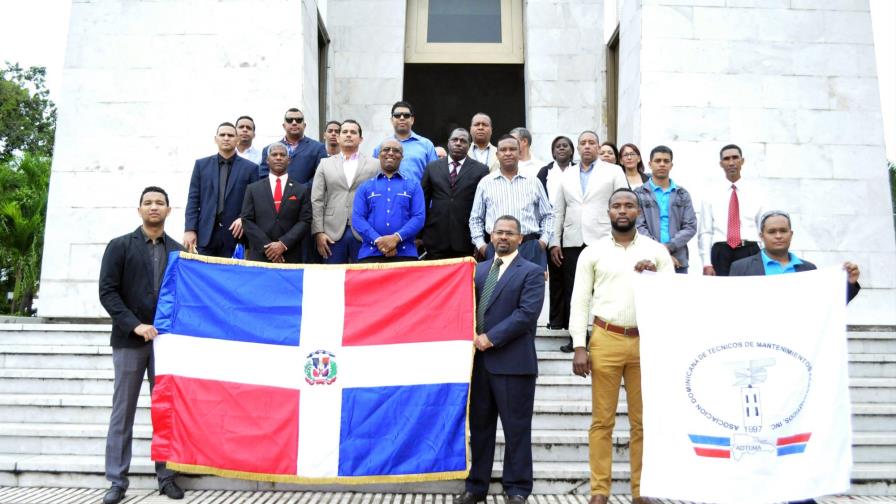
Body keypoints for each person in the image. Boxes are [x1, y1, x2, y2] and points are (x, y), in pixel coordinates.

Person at [569, 188, 674, 504]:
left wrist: (654, 277)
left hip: (646, 342)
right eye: (617, 205)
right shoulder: (593, 252)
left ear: (639, 212)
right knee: (602, 421)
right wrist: (579, 345)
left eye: (629, 205)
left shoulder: (657, 252)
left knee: (643, 422)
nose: (623, 210)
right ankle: (600, 490)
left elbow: (672, 298)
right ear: (609, 212)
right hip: (606, 339)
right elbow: (580, 300)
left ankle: (641, 491)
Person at [98, 187, 185, 504]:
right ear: (139, 209)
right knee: (123, 413)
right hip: (129, 341)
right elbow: (108, 292)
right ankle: (117, 482)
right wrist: (135, 324)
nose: (153, 207)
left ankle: (166, 477)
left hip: (167, 346)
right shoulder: (120, 246)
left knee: (165, 412)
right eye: (148, 203)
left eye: (159, 203)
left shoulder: (178, 251)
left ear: (168, 210)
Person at [455, 215, 545, 504]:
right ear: (490, 237)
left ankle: (517, 489)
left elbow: (526, 314)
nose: (503, 238)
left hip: (514, 364)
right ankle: (476, 487)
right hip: (478, 366)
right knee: (480, 430)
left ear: (520, 239)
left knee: (516, 429)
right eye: (498, 233)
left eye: (510, 233)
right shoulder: (476, 271)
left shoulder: (531, 271)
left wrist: (490, 337)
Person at [549, 131, 627, 348]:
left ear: (598, 146)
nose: (587, 146)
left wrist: (622, 239)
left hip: (603, 239)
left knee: (605, 289)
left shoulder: (614, 171)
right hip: (573, 240)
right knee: (575, 291)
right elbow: (558, 211)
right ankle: (576, 338)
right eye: (582, 143)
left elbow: (622, 204)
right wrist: (555, 241)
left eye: (591, 143)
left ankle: (605, 336)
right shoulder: (567, 174)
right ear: (577, 147)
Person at [730, 210, 861, 302]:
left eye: (783, 231)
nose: (778, 236)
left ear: (791, 234)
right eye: (772, 232)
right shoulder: (740, 268)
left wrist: (849, 283)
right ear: (761, 236)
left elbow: (826, 308)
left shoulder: (808, 269)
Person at [469, 135, 553, 268]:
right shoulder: (485, 183)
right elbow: (475, 218)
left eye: (512, 149)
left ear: (519, 152)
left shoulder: (534, 182)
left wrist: (542, 242)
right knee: (494, 288)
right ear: (497, 154)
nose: (508, 153)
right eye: (503, 150)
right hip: (496, 249)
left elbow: (548, 215)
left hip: (530, 247)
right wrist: (482, 246)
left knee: (531, 287)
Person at [184, 122, 259, 257]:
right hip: (205, 235)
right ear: (216, 139)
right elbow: (193, 199)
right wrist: (190, 229)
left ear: (237, 140)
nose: (226, 138)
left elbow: (256, 202)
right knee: (204, 276)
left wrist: (244, 218)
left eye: (230, 135)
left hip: (236, 236)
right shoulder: (201, 165)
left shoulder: (251, 169)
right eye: (222, 135)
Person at [311, 120, 380, 263]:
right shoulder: (325, 164)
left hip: (365, 231)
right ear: (338, 137)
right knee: (333, 279)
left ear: (360, 139)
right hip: (331, 232)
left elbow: (380, 199)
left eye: (353, 132)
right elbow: (316, 199)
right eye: (345, 132)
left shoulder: (375, 164)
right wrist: (318, 232)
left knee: (363, 278)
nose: (349, 135)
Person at [421, 128, 489, 259]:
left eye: (463, 141)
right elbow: (422, 202)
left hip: (466, 241)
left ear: (469, 145)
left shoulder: (481, 170)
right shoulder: (432, 168)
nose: (458, 143)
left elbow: (485, 208)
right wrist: (419, 236)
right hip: (435, 239)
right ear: (448, 143)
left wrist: (482, 240)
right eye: (455, 140)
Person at [353, 138, 425, 262]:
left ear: (402, 157)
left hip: (405, 253)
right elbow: (357, 218)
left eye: (396, 151)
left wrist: (396, 238)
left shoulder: (414, 186)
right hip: (371, 254)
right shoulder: (365, 187)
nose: (391, 153)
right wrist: (379, 241)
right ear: (378, 155)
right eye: (386, 149)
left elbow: (419, 217)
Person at [698, 144, 766, 276]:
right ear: (721, 163)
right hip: (720, 251)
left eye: (735, 158)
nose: (731, 162)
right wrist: (706, 263)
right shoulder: (710, 194)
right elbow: (705, 231)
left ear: (742, 161)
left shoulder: (756, 192)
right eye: (726, 159)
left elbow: (763, 228)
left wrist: (765, 257)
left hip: (750, 250)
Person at [240, 143, 312, 263]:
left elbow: (305, 220)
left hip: (290, 254)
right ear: (267, 160)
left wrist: (282, 244)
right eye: (274, 154)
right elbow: (246, 219)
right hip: (260, 255)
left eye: (282, 155)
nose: (278, 157)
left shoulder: (301, 190)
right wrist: (268, 247)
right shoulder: (253, 189)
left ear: (288, 160)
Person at [634, 145, 697, 273]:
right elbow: (639, 227)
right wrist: (661, 252)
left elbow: (690, 226)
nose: (662, 164)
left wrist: (668, 247)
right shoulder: (639, 194)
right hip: (647, 260)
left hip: (678, 260)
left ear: (671, 165)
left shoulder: (682, 194)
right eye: (658, 161)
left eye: (666, 161)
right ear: (650, 164)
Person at [536, 136, 576, 331]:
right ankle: (556, 320)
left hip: (573, 229)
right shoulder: (545, 172)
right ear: (553, 152)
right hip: (551, 227)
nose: (561, 149)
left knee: (572, 279)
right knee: (555, 277)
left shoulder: (578, 171)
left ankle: (571, 321)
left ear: (571, 151)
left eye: (565, 146)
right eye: (557, 146)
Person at [372, 101, 438, 184]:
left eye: (406, 115)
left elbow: (435, 175)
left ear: (412, 120)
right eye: (397, 115)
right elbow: (374, 175)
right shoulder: (381, 146)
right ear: (392, 120)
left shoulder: (426, 145)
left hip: (417, 196)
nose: (402, 118)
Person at [258, 108, 327, 184]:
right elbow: (263, 175)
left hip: (305, 194)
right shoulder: (269, 149)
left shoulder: (318, 148)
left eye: (299, 120)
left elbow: (321, 176)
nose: (294, 123)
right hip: (276, 194)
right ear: (284, 126)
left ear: (304, 125)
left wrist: (300, 191)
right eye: (289, 120)